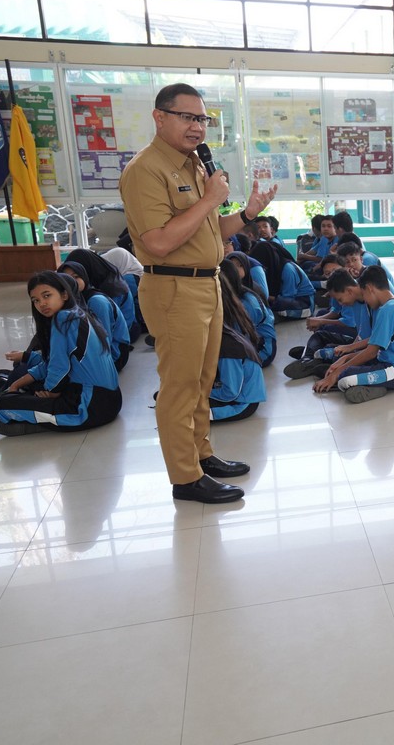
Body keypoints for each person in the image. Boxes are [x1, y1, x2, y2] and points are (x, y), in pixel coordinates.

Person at [120, 82, 277, 504]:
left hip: (207, 283)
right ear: (160, 117)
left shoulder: (193, 165)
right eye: (187, 117)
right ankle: (185, 478)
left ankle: (202, 455)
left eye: (202, 119)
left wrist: (245, 215)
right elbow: (157, 242)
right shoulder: (146, 170)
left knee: (203, 380)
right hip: (173, 288)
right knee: (180, 386)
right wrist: (209, 201)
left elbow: (207, 230)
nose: (197, 127)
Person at [0, 272, 122, 437]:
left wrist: (51, 393)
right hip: (109, 400)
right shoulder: (80, 315)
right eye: (36, 300)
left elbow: (59, 366)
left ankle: (49, 422)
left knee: (2, 405)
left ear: (64, 294)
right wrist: (17, 384)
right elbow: (50, 362)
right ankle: (46, 417)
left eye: (47, 295)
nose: (42, 304)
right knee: (31, 385)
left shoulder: (63, 318)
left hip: (90, 407)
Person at [311, 265, 394, 404]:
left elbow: (370, 352)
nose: (365, 301)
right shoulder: (391, 306)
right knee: (346, 371)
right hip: (385, 361)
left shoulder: (388, 309)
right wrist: (345, 359)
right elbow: (374, 348)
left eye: (364, 294)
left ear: (369, 288)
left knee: (344, 378)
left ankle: (378, 386)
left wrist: (337, 373)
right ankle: (367, 382)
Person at [204, 263, 266, 422]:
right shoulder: (222, 332)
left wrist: (202, 390)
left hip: (242, 404)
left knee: (187, 409)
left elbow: (231, 392)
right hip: (234, 386)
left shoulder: (226, 346)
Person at [284, 269, 372, 381]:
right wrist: (349, 349)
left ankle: (315, 356)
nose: (340, 303)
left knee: (332, 352)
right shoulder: (356, 300)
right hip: (361, 344)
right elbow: (362, 333)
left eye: (340, 299)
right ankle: (309, 359)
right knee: (324, 339)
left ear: (349, 291)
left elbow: (374, 343)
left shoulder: (372, 303)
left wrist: (349, 350)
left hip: (369, 348)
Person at [56, 260, 132, 371]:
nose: (71, 282)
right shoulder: (73, 299)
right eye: (65, 279)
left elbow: (104, 340)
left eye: (75, 277)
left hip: (114, 355)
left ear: (84, 277)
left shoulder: (96, 302)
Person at [220, 256, 275, 367]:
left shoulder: (246, 303)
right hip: (249, 344)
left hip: (263, 351)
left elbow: (238, 339)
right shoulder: (235, 295)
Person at [250, 240, 315, 319]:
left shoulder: (287, 269)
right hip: (287, 301)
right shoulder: (274, 268)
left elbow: (288, 297)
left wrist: (266, 296)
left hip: (304, 304)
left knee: (274, 307)